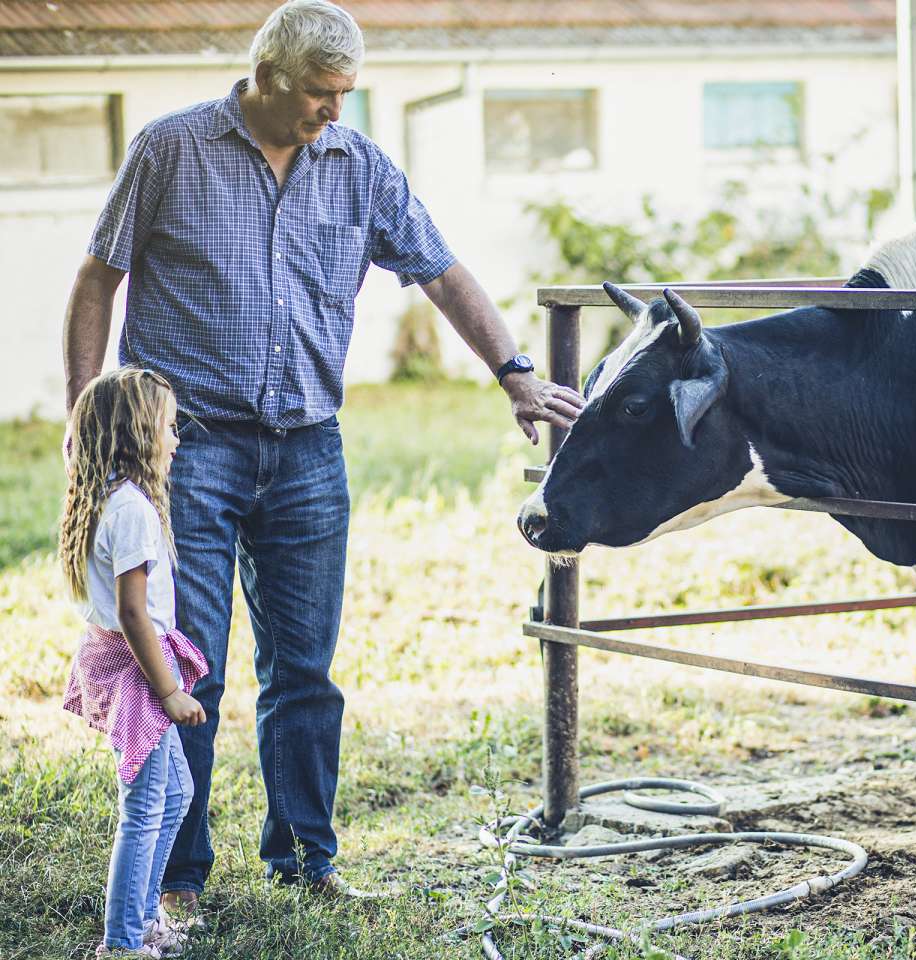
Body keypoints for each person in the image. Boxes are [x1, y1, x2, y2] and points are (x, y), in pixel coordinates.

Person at [61, 0, 583, 917]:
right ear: (265, 75)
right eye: (318, 92)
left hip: (307, 451)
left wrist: (514, 370)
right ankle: (179, 879)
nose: (334, 110)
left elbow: (441, 270)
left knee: (305, 672)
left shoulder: (359, 166)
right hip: (191, 453)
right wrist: (86, 425)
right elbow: (98, 276)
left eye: (346, 93)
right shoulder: (171, 149)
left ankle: (304, 857)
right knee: (187, 667)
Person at [60, 368, 209, 958]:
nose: (176, 440)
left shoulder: (111, 497)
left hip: (132, 659)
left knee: (176, 792)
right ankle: (122, 944)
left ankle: (145, 920)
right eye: (170, 429)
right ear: (139, 434)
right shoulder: (132, 510)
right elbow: (133, 612)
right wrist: (169, 688)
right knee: (145, 807)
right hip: (138, 668)